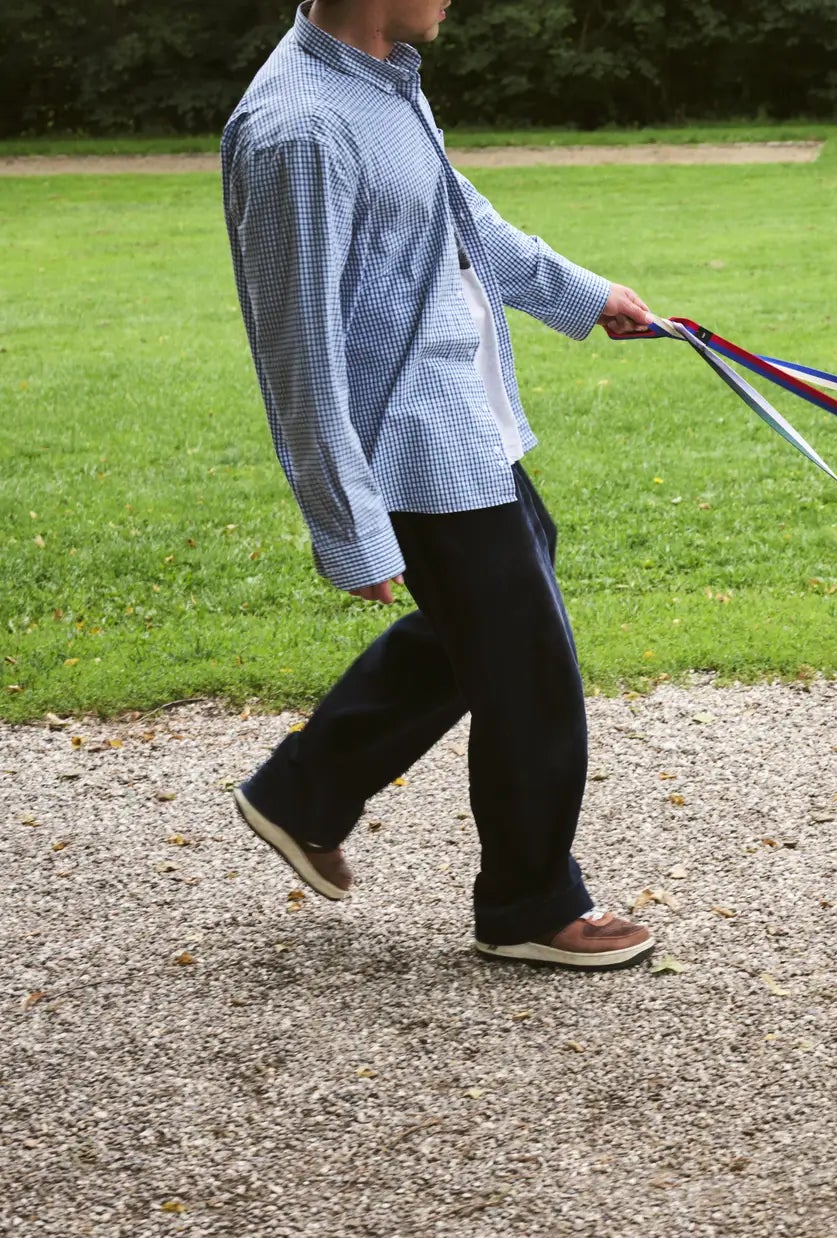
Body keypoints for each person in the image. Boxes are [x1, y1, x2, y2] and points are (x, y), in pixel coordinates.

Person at [221, 0, 657, 968]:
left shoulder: (382, 86)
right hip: (410, 449)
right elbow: (297, 351)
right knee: (529, 667)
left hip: (464, 424)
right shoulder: (299, 128)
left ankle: (303, 789)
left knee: (487, 635)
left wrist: (588, 297)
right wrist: (349, 524)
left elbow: (468, 227)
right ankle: (529, 904)